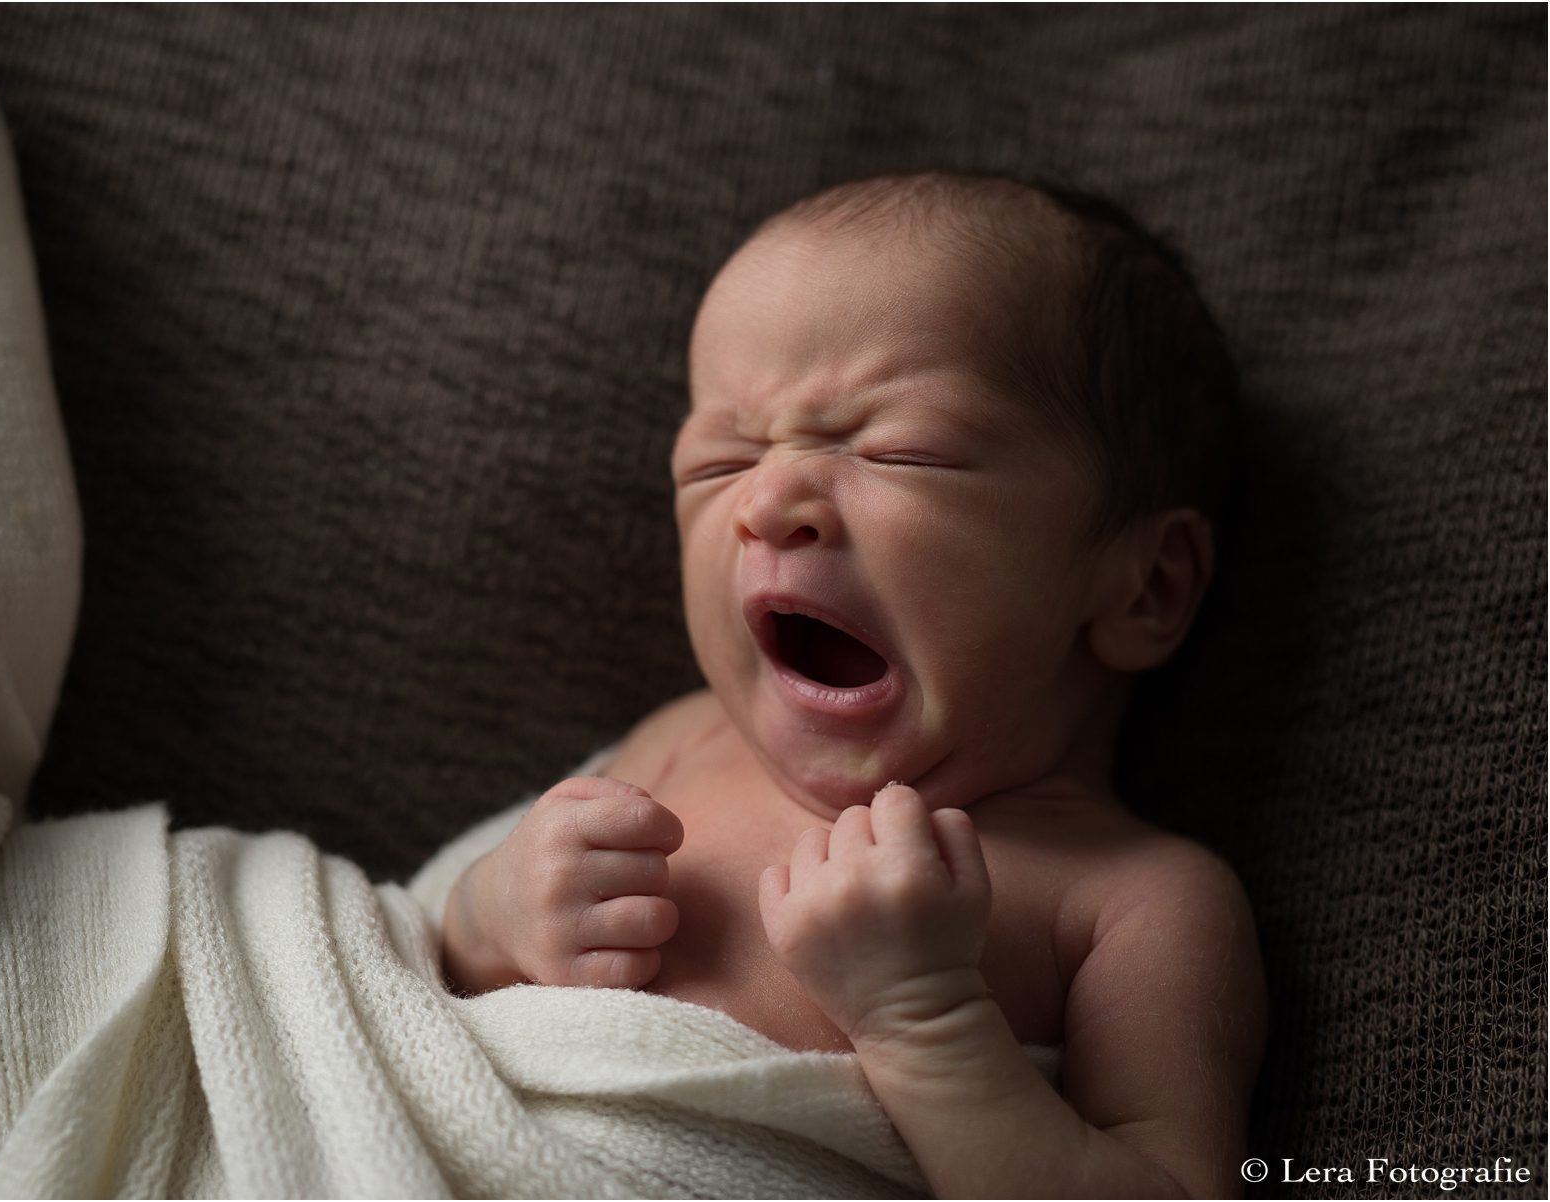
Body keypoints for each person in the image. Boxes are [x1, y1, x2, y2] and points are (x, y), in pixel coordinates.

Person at [437, 171, 1267, 1198]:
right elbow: (411, 980)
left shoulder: (1137, 903)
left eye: (898, 450)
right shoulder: (683, 744)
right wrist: (490, 913)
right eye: (718, 462)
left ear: (1146, 585)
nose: (770, 499)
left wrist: (926, 1021)